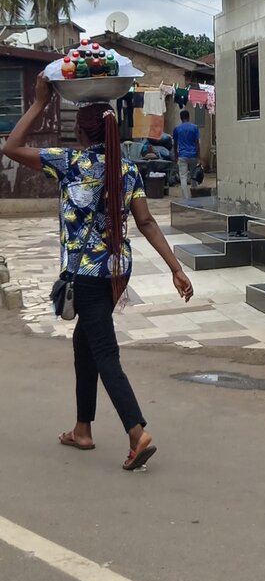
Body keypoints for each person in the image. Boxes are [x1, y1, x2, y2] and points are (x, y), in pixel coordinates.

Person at [3, 74, 194, 471]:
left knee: (104, 351)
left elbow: (11, 147)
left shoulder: (70, 163)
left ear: (81, 135)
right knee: (84, 345)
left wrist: (39, 104)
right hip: (116, 272)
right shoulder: (127, 170)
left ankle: (136, 431)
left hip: (86, 277)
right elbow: (146, 223)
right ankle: (82, 429)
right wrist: (175, 268)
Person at [173, 109, 201, 199]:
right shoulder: (195, 127)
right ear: (189, 117)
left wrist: (176, 155)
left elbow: (175, 143)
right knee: (194, 176)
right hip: (193, 155)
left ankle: (186, 198)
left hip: (182, 155)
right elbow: (197, 143)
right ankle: (195, 194)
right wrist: (199, 156)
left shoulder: (177, 129)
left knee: (183, 177)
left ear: (181, 118)